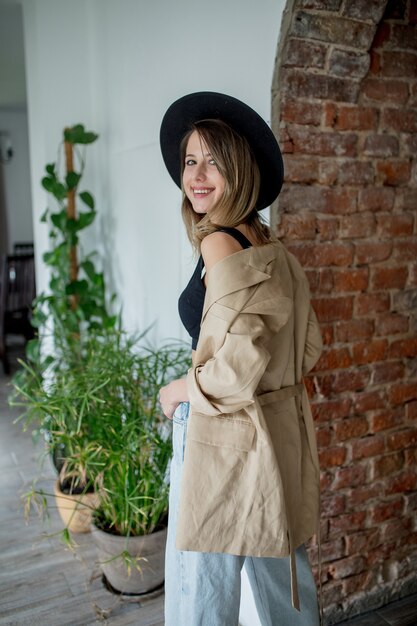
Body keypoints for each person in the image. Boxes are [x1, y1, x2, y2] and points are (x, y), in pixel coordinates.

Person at [158, 92, 323, 626]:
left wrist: (176, 392)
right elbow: (307, 348)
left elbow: (230, 372)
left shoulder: (219, 245)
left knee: (204, 592)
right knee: (282, 590)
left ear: (239, 170)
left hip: (219, 438)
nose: (198, 175)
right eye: (190, 160)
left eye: (214, 161)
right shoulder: (270, 245)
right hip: (272, 438)